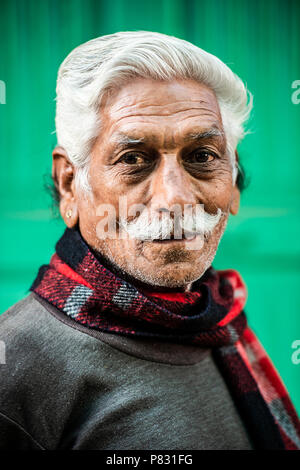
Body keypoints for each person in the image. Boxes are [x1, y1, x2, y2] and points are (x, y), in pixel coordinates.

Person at [0, 31, 299, 450]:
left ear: (232, 184)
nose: (174, 197)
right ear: (70, 185)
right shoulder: (16, 366)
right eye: (133, 159)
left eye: (203, 156)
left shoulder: (218, 321)